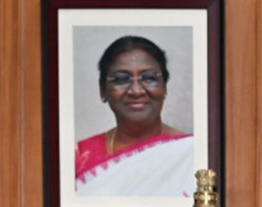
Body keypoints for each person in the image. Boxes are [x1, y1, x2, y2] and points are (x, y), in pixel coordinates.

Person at [74, 36, 193, 198]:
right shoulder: (79, 157)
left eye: (150, 78)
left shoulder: (192, 153)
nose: (136, 91)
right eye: (121, 79)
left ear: (164, 87)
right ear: (103, 90)